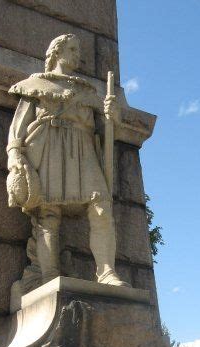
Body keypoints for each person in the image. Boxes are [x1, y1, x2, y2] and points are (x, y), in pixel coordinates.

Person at [7, 33, 128, 294]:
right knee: (47, 212)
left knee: (101, 205)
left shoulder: (87, 91)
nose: (78, 55)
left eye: (78, 50)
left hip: (82, 147)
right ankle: (49, 276)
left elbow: (107, 128)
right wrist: (15, 155)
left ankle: (106, 271)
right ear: (56, 52)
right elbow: (18, 128)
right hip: (47, 143)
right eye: (72, 49)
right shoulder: (35, 84)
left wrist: (112, 115)